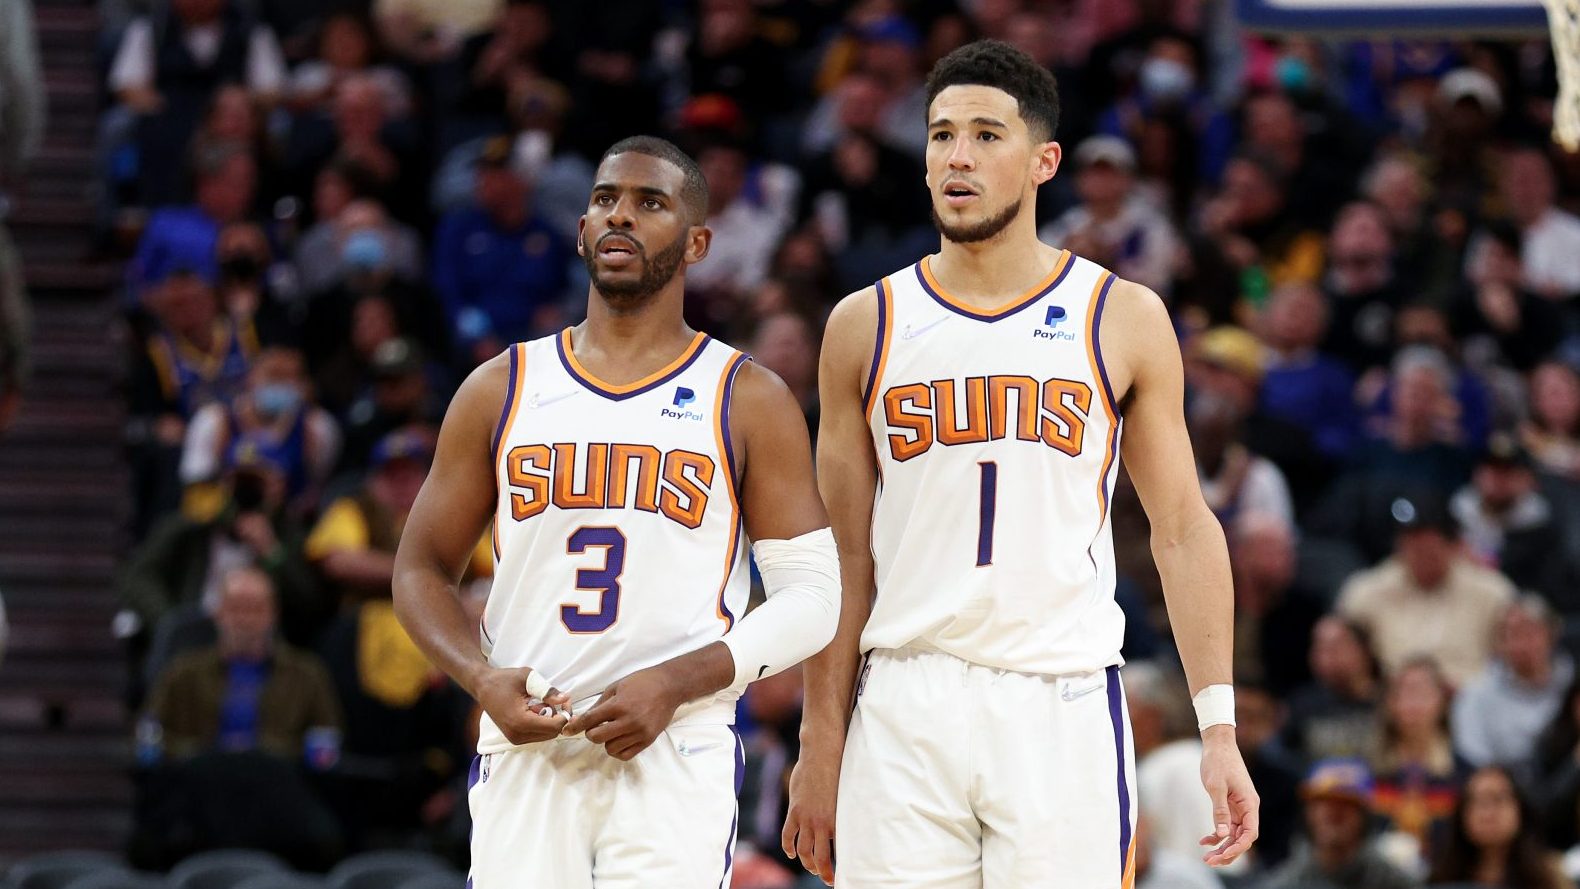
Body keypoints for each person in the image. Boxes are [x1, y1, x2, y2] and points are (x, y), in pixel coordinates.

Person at [783, 40, 1258, 889]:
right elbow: (841, 558)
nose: (957, 156)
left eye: (986, 135)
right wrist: (820, 742)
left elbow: (1183, 529)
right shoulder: (864, 323)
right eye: (940, 135)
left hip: (1061, 696)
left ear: (1044, 161)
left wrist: (1217, 726)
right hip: (902, 696)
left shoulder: (1122, 315)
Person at [392, 136, 839, 887]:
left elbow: (816, 595)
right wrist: (479, 676)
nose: (619, 216)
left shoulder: (747, 396)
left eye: (650, 202)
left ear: (698, 242)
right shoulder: (501, 386)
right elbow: (419, 567)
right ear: (580, 230)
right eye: (605, 200)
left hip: (674, 749)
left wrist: (679, 680)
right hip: (528, 742)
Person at [1336, 496, 1515, 686]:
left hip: (1471, 702)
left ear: (1453, 545)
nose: (1417, 551)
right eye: (1409, 542)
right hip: (1392, 703)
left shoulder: (1491, 592)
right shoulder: (1366, 591)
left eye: (1427, 545)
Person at [1451, 595, 1572, 769]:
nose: (1522, 644)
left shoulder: (1573, 688)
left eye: (1530, 633)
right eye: (1513, 635)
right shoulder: (1474, 696)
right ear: (1499, 644)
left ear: (1552, 634)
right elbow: (1474, 763)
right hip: (1502, 789)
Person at [1259, 759, 1420, 889]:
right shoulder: (1284, 883)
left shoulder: (1395, 882)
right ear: (1307, 812)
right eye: (1322, 803)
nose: (1333, 814)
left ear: (1365, 816)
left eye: (1345, 804)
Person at [1427, 765, 1573, 889]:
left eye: (1498, 799)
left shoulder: (1549, 875)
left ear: (1520, 809)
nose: (1487, 813)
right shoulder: (1443, 877)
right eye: (1477, 802)